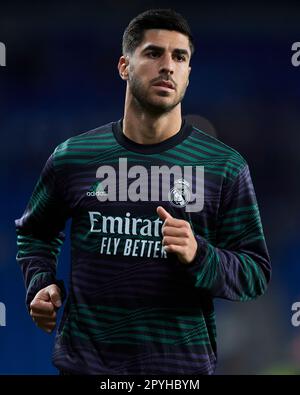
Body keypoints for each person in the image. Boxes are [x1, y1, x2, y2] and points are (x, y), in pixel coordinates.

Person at [15, 8, 271, 375]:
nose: (167, 65)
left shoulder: (224, 167)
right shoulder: (75, 156)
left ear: (187, 73)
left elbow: (255, 273)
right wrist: (40, 283)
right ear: (124, 66)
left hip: (179, 375)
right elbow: (35, 232)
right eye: (153, 53)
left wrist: (200, 254)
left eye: (179, 57)